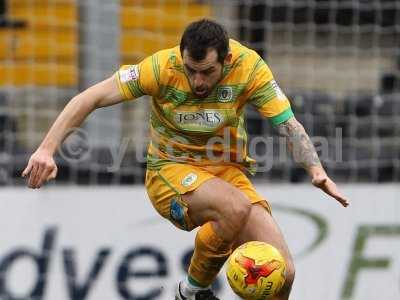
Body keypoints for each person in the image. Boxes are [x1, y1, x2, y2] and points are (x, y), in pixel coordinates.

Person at [22, 19, 349, 300]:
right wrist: (47, 149)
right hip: (170, 174)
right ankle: (192, 292)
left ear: (227, 59)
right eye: (191, 71)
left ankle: (195, 289)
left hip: (227, 173)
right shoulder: (161, 67)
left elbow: (288, 124)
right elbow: (89, 97)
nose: (198, 82)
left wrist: (316, 170)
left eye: (206, 72)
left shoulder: (250, 69)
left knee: (284, 272)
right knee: (233, 208)